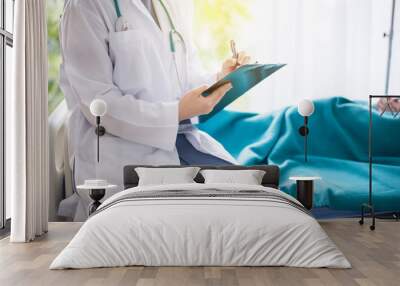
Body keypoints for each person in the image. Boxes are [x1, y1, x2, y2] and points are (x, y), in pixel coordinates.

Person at [59, 0, 250, 219]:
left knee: (252, 191)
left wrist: (218, 80)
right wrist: (177, 112)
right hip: (123, 158)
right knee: (231, 210)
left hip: (178, 145)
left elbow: (182, 79)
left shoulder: (169, 5)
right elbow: (100, 107)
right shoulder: (84, 7)